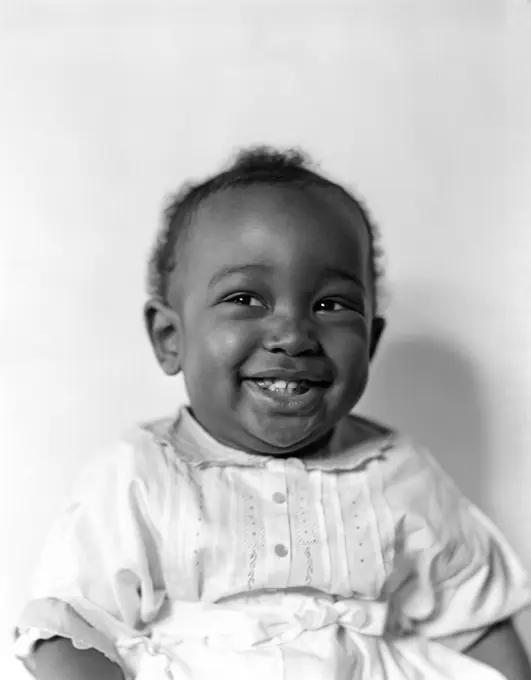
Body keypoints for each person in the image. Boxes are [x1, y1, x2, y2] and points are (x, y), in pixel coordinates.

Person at [14, 147, 531, 680]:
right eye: (245, 298)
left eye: (331, 305)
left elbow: (478, 624)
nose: (292, 335)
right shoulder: (141, 474)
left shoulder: (398, 474)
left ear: (371, 341)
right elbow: (67, 629)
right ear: (171, 338)